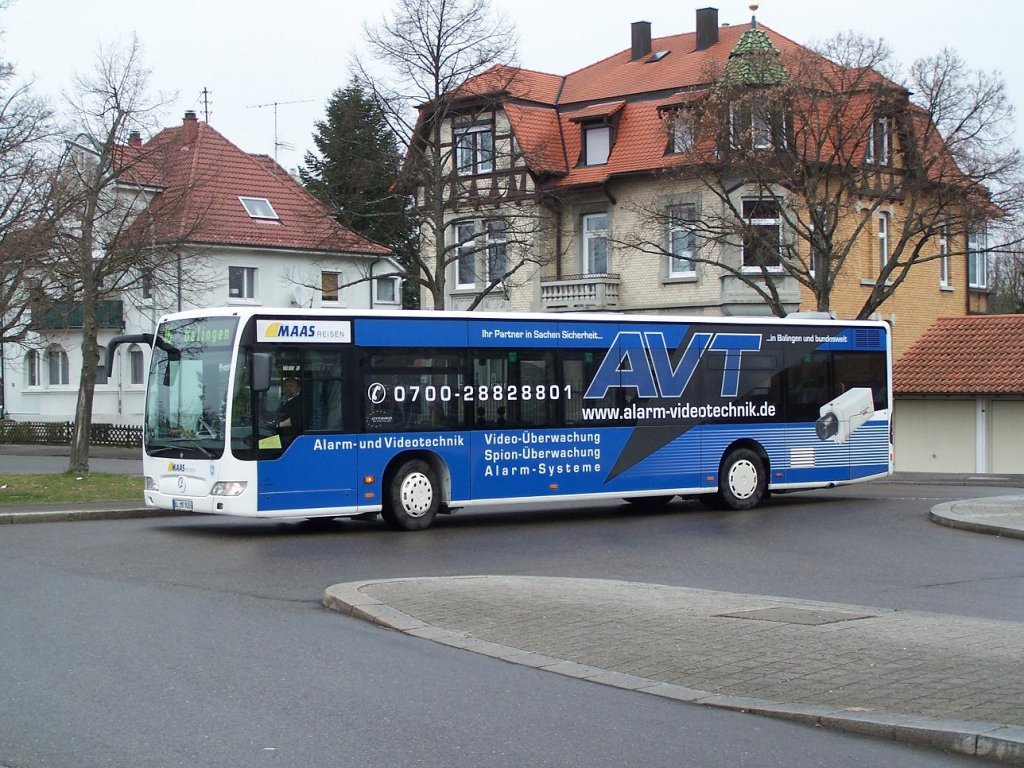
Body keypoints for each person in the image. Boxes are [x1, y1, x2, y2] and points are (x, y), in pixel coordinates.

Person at [276, 377, 303, 445]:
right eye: (285, 386)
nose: (288, 388)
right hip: (282, 435)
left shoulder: (299, 402)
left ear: (298, 389)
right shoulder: (285, 402)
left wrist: (278, 425)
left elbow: (295, 419)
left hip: (292, 438)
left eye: (291, 386)